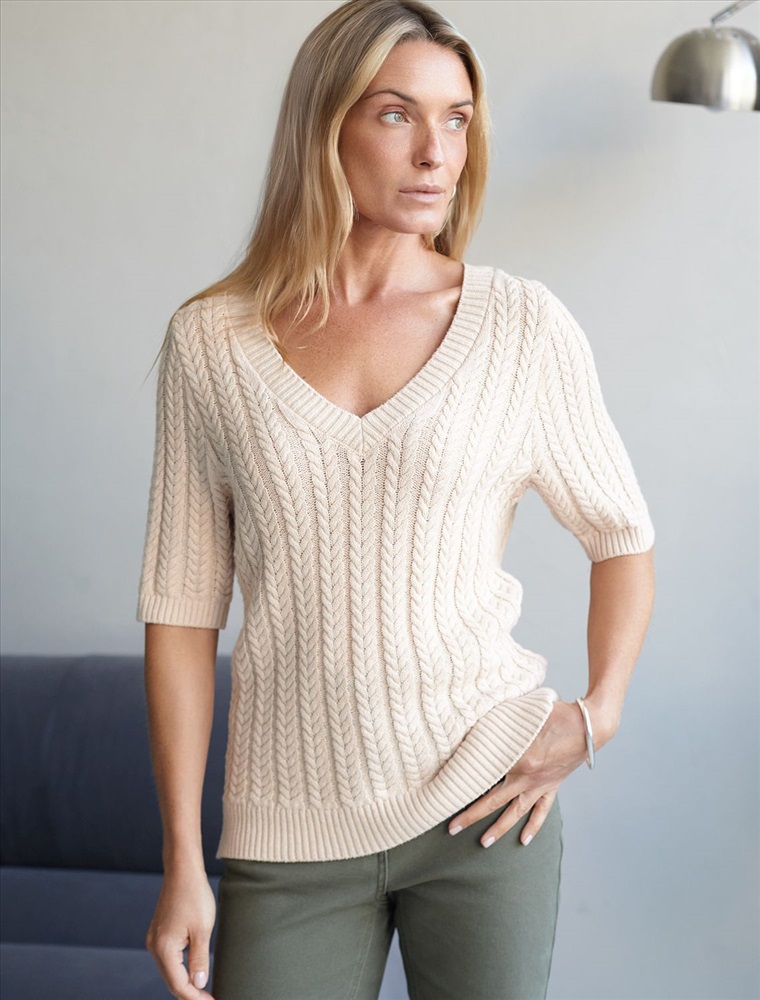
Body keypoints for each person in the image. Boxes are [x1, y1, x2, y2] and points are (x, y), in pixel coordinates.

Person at [136, 1, 656, 998]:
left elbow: (620, 533)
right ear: (322, 125)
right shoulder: (212, 343)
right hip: (288, 829)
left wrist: (598, 713)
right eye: (395, 114)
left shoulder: (520, 326)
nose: (435, 153)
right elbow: (180, 611)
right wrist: (182, 863)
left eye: (456, 119)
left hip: (486, 802)